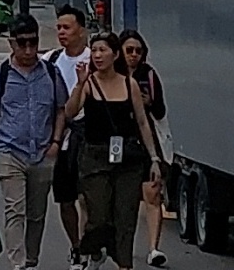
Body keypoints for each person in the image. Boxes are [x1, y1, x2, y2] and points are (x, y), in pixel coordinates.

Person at [0, 14, 69, 270]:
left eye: (33, 43)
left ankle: (31, 259)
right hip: (10, 151)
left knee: (37, 214)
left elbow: (60, 109)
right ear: (11, 44)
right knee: (15, 210)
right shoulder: (0, 76)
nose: (28, 49)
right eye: (22, 43)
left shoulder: (50, 72)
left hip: (42, 152)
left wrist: (56, 141)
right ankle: (19, 263)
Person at [63, 31, 163, 270]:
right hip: (95, 157)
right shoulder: (89, 83)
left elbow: (142, 122)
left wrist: (154, 158)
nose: (97, 55)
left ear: (114, 54)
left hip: (127, 158)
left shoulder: (129, 84)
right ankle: (95, 249)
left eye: (102, 50)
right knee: (97, 215)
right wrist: (79, 83)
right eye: (94, 50)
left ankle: (124, 264)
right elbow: (70, 112)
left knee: (125, 216)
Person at [120, 30, 170, 268]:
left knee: (152, 193)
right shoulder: (112, 75)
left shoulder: (148, 75)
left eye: (138, 51)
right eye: (129, 50)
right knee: (121, 198)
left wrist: (148, 102)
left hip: (145, 141)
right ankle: (119, 245)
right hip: (119, 142)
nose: (134, 55)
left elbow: (160, 111)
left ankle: (153, 248)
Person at [49, 5, 93, 267]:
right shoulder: (51, 61)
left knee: (87, 197)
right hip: (63, 136)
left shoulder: (95, 59)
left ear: (81, 30)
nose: (61, 33)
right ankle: (76, 246)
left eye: (67, 28)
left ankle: (88, 245)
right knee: (65, 198)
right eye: (58, 28)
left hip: (89, 135)